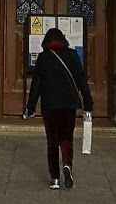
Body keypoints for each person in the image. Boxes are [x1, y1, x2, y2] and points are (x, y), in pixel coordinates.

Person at [23, 27, 93, 190]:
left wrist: (30, 107)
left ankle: (55, 178)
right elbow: (82, 81)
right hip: (69, 104)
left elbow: (37, 85)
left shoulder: (43, 58)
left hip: (50, 105)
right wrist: (88, 104)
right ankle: (67, 165)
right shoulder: (72, 55)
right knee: (67, 138)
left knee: (52, 141)